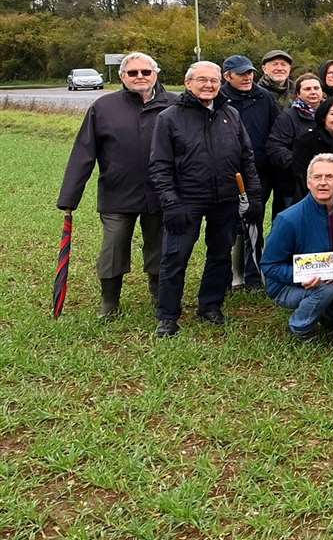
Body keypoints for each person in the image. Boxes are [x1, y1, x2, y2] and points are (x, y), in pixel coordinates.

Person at [148, 61, 263, 337]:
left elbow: (246, 157)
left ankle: (210, 305)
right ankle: (167, 315)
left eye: (213, 80)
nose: (209, 85)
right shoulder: (169, 117)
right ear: (188, 83)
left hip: (225, 199)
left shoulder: (230, 114)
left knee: (220, 254)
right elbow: (159, 165)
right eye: (202, 80)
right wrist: (170, 202)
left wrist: (254, 195)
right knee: (175, 257)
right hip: (186, 199)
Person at [57, 51, 177, 317]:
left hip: (161, 194)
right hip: (117, 193)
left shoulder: (175, 105)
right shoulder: (103, 107)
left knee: (159, 247)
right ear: (122, 77)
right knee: (113, 248)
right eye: (132, 73)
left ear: (156, 73)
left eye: (145, 72)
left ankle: (160, 295)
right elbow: (83, 153)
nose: (140, 77)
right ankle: (109, 302)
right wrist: (69, 198)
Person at [262, 153, 333, 343]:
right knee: (326, 290)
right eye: (317, 177)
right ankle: (300, 327)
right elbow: (269, 265)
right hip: (288, 286)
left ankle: (330, 315)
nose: (323, 183)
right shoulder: (288, 219)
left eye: (329, 177)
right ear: (308, 182)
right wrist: (299, 277)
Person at [219, 54, 276, 289]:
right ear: (227, 76)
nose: (247, 77)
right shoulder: (219, 99)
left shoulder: (265, 98)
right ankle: (229, 275)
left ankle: (253, 276)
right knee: (227, 225)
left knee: (254, 221)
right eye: (241, 74)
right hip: (226, 172)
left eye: (250, 73)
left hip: (258, 172)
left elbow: (277, 130)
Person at [265, 72, 325, 218]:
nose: (313, 92)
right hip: (293, 187)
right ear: (298, 93)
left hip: (325, 184)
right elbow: (275, 147)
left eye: (316, 88)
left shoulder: (331, 114)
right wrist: (300, 166)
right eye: (307, 89)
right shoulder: (288, 117)